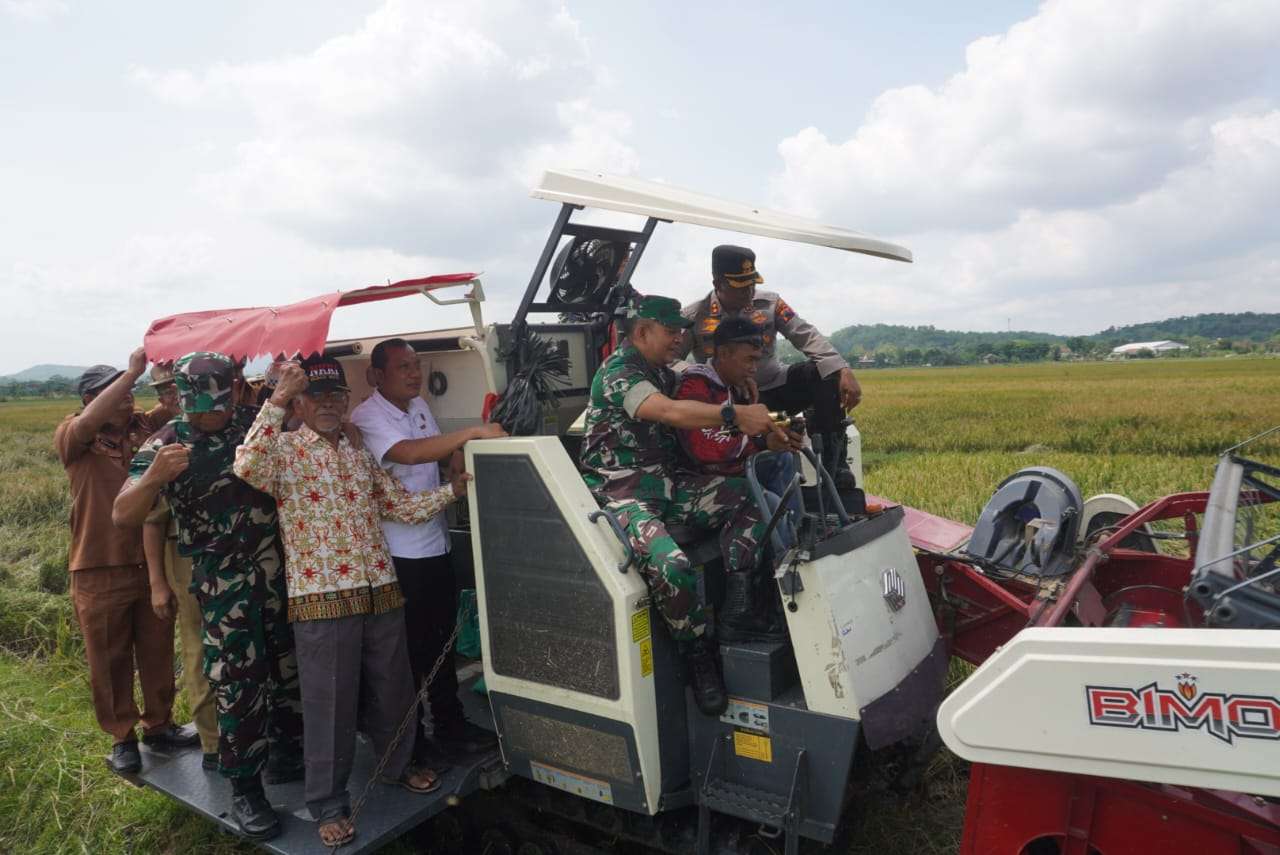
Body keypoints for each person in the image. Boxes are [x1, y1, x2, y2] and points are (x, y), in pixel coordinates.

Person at [234, 356, 471, 847]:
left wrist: (454, 491)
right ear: (299, 404)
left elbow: (398, 506)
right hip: (322, 597)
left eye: (336, 397)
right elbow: (245, 464)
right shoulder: (283, 452)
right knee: (331, 704)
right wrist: (276, 398)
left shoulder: (357, 454)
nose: (328, 405)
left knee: (394, 688)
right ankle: (327, 802)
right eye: (316, 397)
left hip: (380, 588)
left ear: (347, 403)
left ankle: (396, 766)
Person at [114, 352, 304, 841]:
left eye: (218, 404)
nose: (210, 416)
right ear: (182, 399)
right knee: (238, 684)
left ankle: (287, 752)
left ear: (233, 390)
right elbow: (123, 513)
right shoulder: (167, 443)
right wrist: (155, 476)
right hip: (223, 588)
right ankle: (245, 789)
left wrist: (285, 388)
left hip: (277, 575)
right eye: (200, 408)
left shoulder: (249, 422)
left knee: (287, 670)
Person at [579, 295, 782, 716]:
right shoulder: (621, 371)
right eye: (670, 332)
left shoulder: (659, 371)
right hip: (623, 492)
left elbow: (692, 385)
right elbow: (668, 411)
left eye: (680, 332)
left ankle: (738, 610)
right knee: (672, 566)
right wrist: (734, 414)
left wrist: (735, 388)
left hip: (668, 485)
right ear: (641, 332)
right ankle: (698, 652)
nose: (678, 339)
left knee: (750, 498)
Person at [349, 338, 505, 765]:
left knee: (441, 644)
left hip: (434, 541)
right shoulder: (368, 416)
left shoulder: (417, 407)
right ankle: (412, 740)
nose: (414, 374)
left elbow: (431, 452)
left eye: (417, 365)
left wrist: (455, 455)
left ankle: (451, 725)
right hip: (400, 553)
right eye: (404, 367)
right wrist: (472, 431)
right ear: (376, 376)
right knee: (408, 653)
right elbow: (406, 453)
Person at [54, 353, 198, 775]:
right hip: (99, 566)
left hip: (151, 561)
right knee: (109, 656)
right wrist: (132, 371)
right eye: (117, 390)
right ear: (90, 398)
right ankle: (122, 735)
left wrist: (166, 373)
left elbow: (173, 403)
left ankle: (159, 724)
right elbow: (84, 425)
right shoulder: (73, 435)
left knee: (157, 647)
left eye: (130, 390)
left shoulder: (143, 426)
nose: (128, 397)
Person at [681, 245, 863, 487]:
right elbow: (671, 361)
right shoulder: (694, 316)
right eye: (741, 286)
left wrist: (842, 369)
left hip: (774, 386)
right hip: (732, 402)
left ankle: (834, 467)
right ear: (718, 284)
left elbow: (805, 334)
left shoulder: (770, 303)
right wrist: (710, 376)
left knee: (823, 373)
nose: (749, 291)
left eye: (752, 284)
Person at [674, 317, 806, 569]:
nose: (754, 369)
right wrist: (761, 443)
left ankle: (799, 540)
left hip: (724, 467)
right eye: (750, 360)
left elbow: (736, 428)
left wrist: (781, 426)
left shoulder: (728, 386)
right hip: (695, 477)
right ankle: (786, 569)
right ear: (724, 353)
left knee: (783, 458)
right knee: (769, 503)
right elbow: (703, 446)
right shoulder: (697, 384)